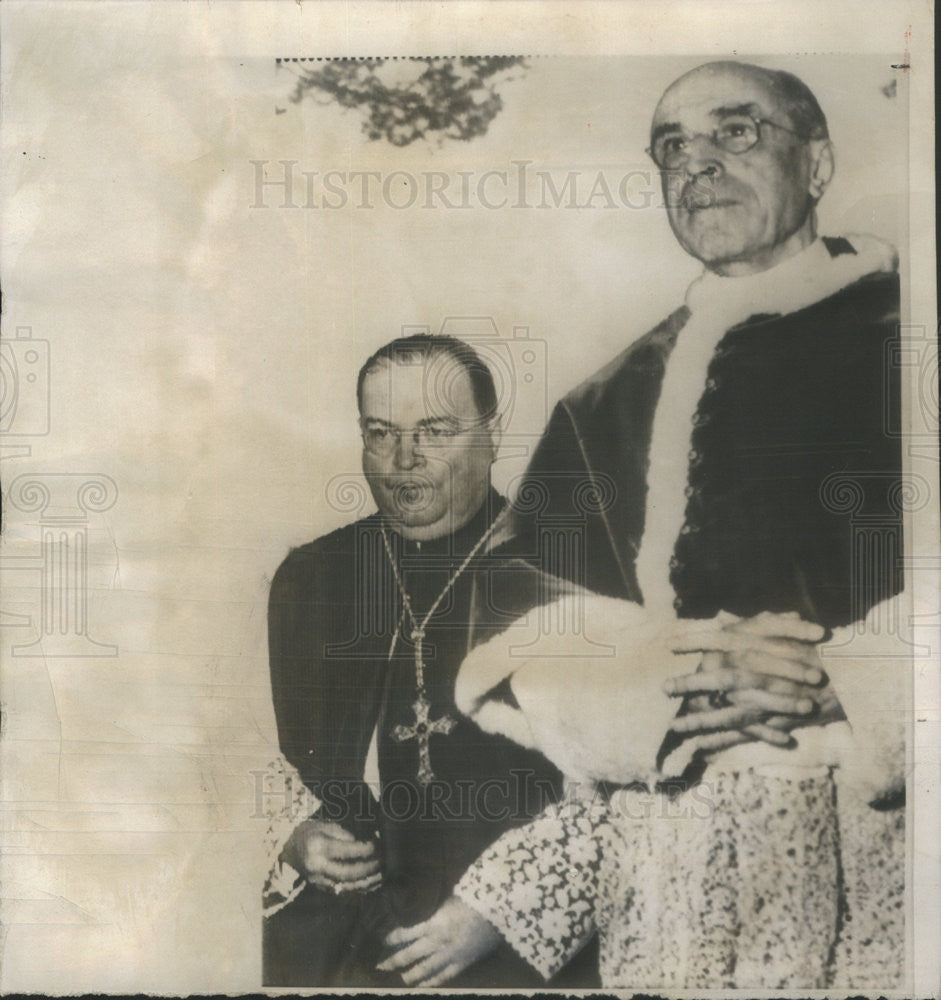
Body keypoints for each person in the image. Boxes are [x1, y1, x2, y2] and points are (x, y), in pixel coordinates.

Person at [407, 61, 905, 989]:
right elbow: (517, 605)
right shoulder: (609, 399)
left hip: (890, 844)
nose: (697, 165)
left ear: (818, 160)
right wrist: (672, 677)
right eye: (672, 147)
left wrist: (843, 682)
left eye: (735, 132)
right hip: (665, 867)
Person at [260, 333, 601, 988]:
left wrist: (502, 910)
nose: (404, 460)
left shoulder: (570, 571)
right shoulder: (311, 577)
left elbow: (627, 790)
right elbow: (253, 756)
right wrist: (292, 836)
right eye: (381, 432)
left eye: (434, 431)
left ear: (490, 435)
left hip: (517, 956)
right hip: (347, 948)